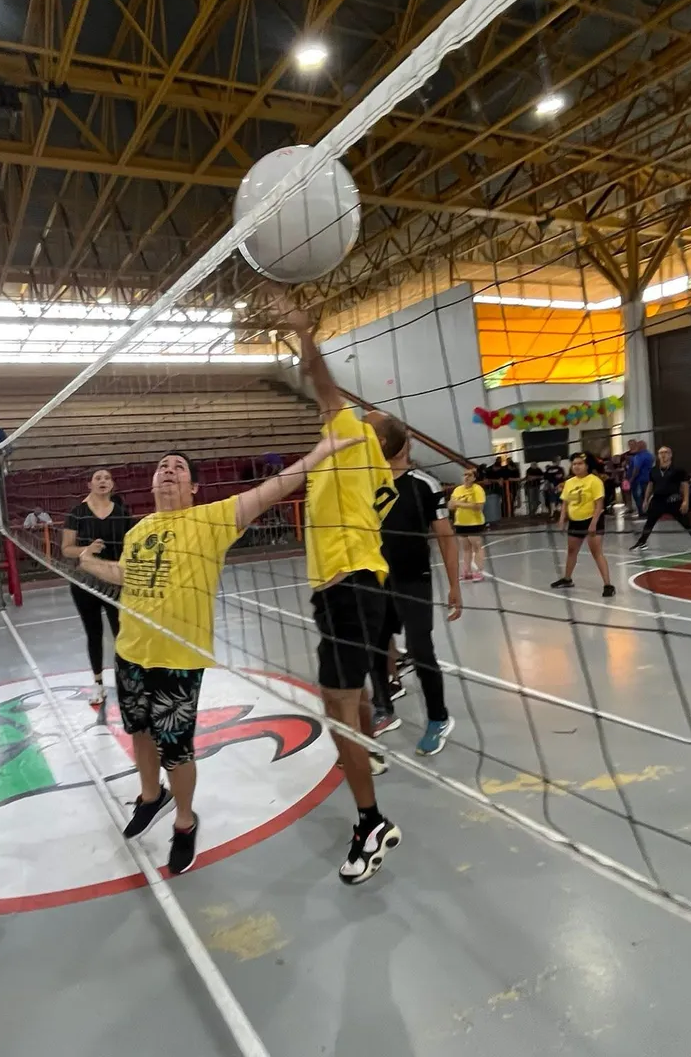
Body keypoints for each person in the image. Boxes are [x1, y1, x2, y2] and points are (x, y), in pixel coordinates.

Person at [75, 435, 356, 875]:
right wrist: (89, 565)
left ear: (192, 489)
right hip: (130, 652)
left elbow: (274, 489)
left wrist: (319, 454)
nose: (168, 468)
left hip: (177, 660)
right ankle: (152, 796)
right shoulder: (138, 530)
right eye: (163, 464)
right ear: (151, 483)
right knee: (139, 731)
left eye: (179, 467)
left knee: (177, 751)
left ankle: (184, 822)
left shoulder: (211, 519)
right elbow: (130, 575)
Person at [286, 302, 403, 885]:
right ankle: (371, 749)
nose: (358, 413)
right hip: (356, 586)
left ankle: (370, 822)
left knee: (333, 706)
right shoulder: (372, 469)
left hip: (349, 587)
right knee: (347, 694)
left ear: (372, 436)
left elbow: (324, 385)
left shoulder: (354, 435)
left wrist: (307, 335)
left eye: (368, 415)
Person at [368, 431, 462, 755]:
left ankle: (438, 718)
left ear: (404, 444)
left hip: (413, 580)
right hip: (377, 579)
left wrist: (454, 585)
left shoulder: (424, 483)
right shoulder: (366, 481)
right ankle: (384, 708)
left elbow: (446, 537)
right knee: (375, 645)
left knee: (421, 649)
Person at [61, 469, 132, 706]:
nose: (103, 481)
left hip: (114, 582)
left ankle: (127, 683)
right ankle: (98, 683)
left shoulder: (122, 514)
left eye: (107, 478)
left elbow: (128, 550)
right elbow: (65, 549)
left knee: (121, 634)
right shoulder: (77, 513)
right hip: (85, 583)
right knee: (94, 633)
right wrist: (85, 550)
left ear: (112, 485)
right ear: (89, 484)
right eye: (98, 478)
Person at [551, 453, 614, 597]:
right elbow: (565, 502)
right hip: (575, 521)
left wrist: (593, 523)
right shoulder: (569, 482)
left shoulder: (594, 481)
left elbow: (599, 504)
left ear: (587, 466)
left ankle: (608, 584)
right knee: (571, 551)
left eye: (580, 463)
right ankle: (567, 579)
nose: (576, 466)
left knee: (596, 553)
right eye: (574, 464)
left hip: (592, 520)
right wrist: (562, 519)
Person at [631, 446, 691, 553]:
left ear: (670, 455)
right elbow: (650, 485)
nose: (663, 455)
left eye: (666, 452)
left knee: (687, 523)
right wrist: (646, 500)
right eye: (661, 453)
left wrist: (685, 501)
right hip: (657, 500)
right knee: (649, 523)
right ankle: (642, 542)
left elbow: (685, 485)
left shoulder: (678, 470)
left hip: (673, 500)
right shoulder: (654, 471)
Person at [448, 466, 487, 581]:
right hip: (460, 523)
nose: (466, 477)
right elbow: (450, 505)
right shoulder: (457, 490)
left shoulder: (477, 489)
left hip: (474, 523)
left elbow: (478, 506)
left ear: (474, 478)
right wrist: (456, 503)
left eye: (469, 475)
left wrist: (459, 504)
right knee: (465, 548)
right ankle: (467, 572)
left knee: (477, 546)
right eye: (464, 475)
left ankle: (479, 571)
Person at [627, 440, 654, 518]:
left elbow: (636, 469)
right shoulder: (650, 455)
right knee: (646, 496)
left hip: (639, 480)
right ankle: (647, 511)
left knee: (639, 497)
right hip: (648, 479)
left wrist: (631, 479)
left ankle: (642, 513)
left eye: (637, 446)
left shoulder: (639, 456)